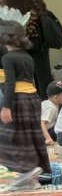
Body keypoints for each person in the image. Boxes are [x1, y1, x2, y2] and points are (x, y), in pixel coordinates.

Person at [0, 11, 50, 176]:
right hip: (32, 98)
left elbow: (10, 83)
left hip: (17, 99)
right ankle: (35, 170)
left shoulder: (8, 58)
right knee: (31, 135)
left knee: (13, 137)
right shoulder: (28, 57)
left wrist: (6, 107)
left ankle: (27, 171)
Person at [4, 0, 51, 97]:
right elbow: (44, 15)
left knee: (23, 77)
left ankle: (29, 101)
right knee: (43, 76)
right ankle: (46, 101)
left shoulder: (8, 3)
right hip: (38, 41)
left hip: (18, 43)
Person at [40, 80, 62, 152]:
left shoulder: (48, 102)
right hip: (45, 131)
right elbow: (42, 123)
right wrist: (48, 138)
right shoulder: (51, 107)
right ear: (56, 97)